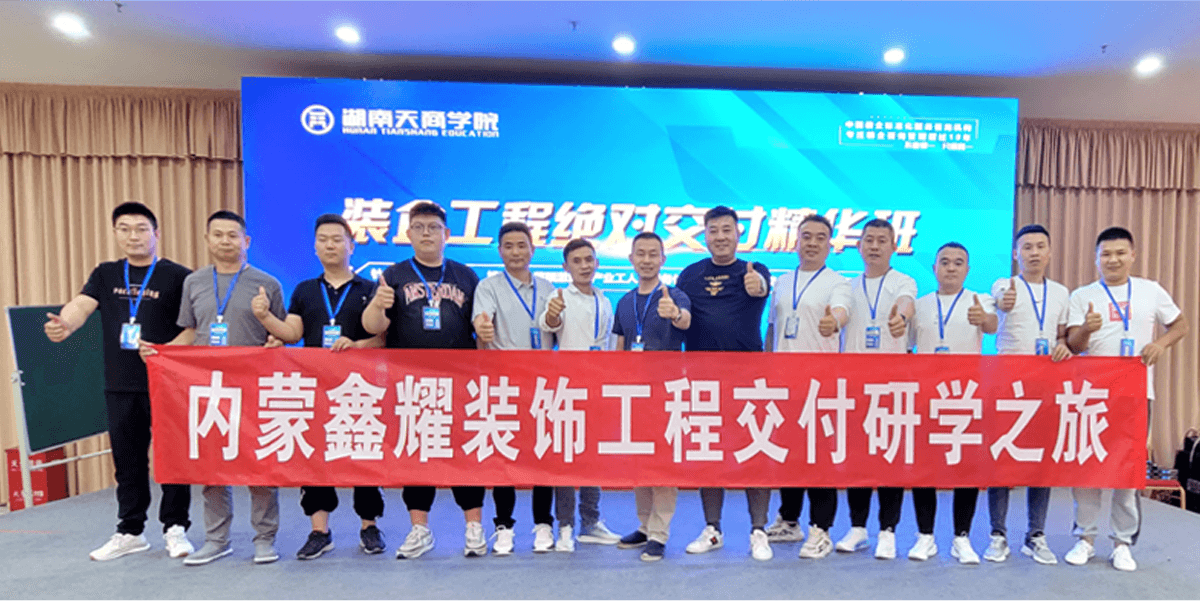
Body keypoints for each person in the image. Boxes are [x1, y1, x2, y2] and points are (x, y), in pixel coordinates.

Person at [44, 202, 194, 561]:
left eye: (141, 229)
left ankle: (176, 528)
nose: (133, 236)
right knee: (127, 462)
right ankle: (130, 530)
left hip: (166, 383)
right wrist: (65, 324)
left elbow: (194, 326)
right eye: (124, 229)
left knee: (172, 459)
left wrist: (166, 352)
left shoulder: (178, 276)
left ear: (156, 234)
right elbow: (81, 305)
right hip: (120, 383)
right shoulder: (106, 274)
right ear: (115, 234)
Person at [140, 209, 286, 566]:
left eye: (232, 235)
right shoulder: (194, 282)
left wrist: (276, 342)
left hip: (252, 387)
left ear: (246, 241)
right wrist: (161, 352)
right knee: (212, 467)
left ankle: (264, 538)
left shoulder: (267, 283)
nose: (225, 241)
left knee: (260, 465)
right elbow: (191, 331)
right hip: (207, 388)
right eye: (217, 235)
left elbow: (282, 334)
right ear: (207, 240)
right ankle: (217, 539)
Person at [248, 214, 386, 560]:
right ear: (314, 247)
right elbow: (293, 332)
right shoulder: (305, 290)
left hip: (359, 388)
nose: (330, 245)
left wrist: (357, 346)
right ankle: (319, 531)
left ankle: (369, 526)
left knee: (362, 453)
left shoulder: (369, 289)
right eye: (323, 239)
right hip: (314, 388)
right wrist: (265, 317)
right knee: (314, 457)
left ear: (351, 245)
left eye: (337, 239)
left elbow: (383, 339)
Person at [361, 201, 488, 559]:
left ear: (447, 234)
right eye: (419, 227)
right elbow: (374, 328)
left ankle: (474, 527)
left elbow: (478, 329)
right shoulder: (394, 275)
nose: (427, 233)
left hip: (458, 381)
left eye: (433, 227)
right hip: (410, 382)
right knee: (416, 453)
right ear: (409, 234)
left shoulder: (466, 276)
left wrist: (484, 331)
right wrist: (378, 304)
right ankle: (420, 529)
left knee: (465, 452)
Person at [1064, 226, 1189, 572]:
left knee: (1127, 470)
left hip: (1135, 394)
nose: (1113, 259)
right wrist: (1086, 328)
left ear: (1132, 255)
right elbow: (1073, 345)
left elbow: (1180, 325)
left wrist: (1160, 344)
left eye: (1120, 253)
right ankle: (1085, 538)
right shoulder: (1083, 295)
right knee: (1087, 467)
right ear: (1096, 259)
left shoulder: (1150, 290)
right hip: (1091, 395)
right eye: (1106, 254)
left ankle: (1122, 543)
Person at [674, 205, 775, 561]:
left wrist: (758, 286)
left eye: (726, 230)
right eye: (713, 230)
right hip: (703, 379)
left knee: (755, 449)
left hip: (749, 378)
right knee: (710, 453)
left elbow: (762, 288)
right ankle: (712, 529)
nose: (720, 237)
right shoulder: (689, 275)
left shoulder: (754, 269)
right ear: (705, 235)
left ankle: (759, 531)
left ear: (737, 234)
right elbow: (680, 318)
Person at [984, 224, 1072, 565]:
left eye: (1040, 246)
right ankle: (998, 534)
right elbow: (997, 306)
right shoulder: (1003, 285)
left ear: (1049, 252)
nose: (1033, 252)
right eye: (1027, 247)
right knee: (1001, 459)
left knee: (1041, 462)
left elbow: (1062, 335)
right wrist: (1002, 303)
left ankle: (1035, 534)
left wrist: (1064, 346)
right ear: (1015, 253)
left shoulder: (1061, 293)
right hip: (1006, 383)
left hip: (1044, 384)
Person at [764, 214, 850, 560]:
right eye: (806, 236)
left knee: (819, 457)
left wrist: (834, 321)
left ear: (830, 244)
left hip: (820, 385)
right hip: (785, 383)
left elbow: (841, 312)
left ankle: (821, 529)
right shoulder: (783, 282)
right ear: (796, 241)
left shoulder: (838, 283)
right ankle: (789, 520)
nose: (812, 243)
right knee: (789, 454)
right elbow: (774, 328)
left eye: (820, 237)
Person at [907, 241, 998, 564]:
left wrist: (982, 318)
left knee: (966, 469)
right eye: (944, 262)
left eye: (958, 263)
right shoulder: (919, 306)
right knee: (925, 469)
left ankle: (962, 537)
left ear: (967, 270)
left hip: (965, 397)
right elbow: (908, 346)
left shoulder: (979, 299)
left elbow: (992, 325)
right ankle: (925, 536)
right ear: (934, 268)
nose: (951, 267)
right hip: (927, 396)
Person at [471, 221, 558, 555]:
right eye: (509, 246)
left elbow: (557, 328)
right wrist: (482, 328)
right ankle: (504, 526)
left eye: (522, 245)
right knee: (503, 454)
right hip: (503, 384)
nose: (516, 252)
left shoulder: (549, 288)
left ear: (532, 250)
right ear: (500, 251)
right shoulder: (489, 286)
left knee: (542, 455)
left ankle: (543, 524)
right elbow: (482, 320)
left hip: (541, 384)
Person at [833, 218, 915, 560]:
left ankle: (888, 530)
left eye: (883, 240)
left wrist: (901, 318)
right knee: (858, 458)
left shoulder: (903, 281)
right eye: (869, 240)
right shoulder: (847, 286)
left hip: (892, 385)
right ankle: (857, 528)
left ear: (894, 247)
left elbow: (907, 304)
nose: (875, 246)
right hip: (854, 385)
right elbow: (838, 315)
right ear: (859, 246)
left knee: (889, 456)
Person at [536, 237, 621, 551]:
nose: (584, 266)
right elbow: (549, 323)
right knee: (566, 460)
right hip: (567, 390)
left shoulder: (604, 299)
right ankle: (565, 526)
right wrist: (553, 314)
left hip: (597, 387)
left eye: (589, 260)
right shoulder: (559, 297)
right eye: (577, 261)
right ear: (566, 267)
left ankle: (590, 522)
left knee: (592, 459)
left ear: (596, 262)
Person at [611, 232, 693, 562]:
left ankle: (659, 533)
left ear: (663, 259)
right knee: (640, 461)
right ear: (631, 259)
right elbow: (619, 347)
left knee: (663, 463)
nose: (646, 260)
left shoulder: (675, 295)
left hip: (667, 393)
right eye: (640, 254)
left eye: (653, 254)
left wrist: (674, 313)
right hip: (634, 393)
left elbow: (686, 322)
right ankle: (644, 526)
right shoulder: (624, 301)